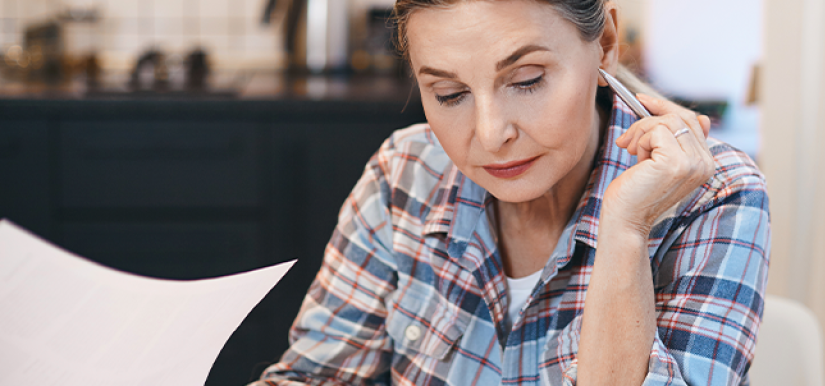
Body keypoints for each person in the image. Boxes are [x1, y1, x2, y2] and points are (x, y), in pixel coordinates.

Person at [252, 0, 770, 385]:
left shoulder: (713, 197)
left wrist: (626, 232)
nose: (490, 132)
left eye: (526, 80)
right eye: (449, 94)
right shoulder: (405, 172)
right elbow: (313, 376)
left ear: (606, 45)